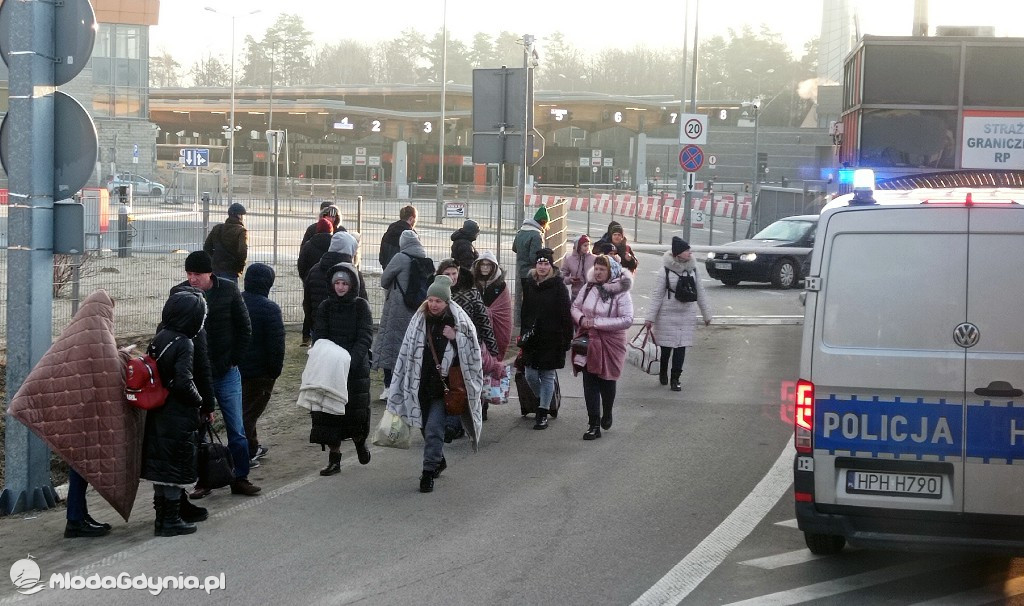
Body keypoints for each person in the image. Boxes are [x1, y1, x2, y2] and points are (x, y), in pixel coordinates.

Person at [173, 251, 260, 497]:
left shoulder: (229, 291)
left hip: (226, 372)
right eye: (189, 274)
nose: (192, 279)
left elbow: (245, 328)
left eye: (197, 274)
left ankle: (240, 477)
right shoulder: (180, 293)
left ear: (209, 273)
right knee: (198, 431)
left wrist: (234, 360)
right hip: (196, 375)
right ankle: (204, 480)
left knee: (236, 429)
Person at [386, 275, 484, 493]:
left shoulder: (459, 323)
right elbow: (407, 351)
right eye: (430, 300)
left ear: (446, 302)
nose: (433, 304)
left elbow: (472, 355)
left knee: (433, 429)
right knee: (422, 425)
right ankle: (438, 459)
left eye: (438, 301)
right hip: (419, 385)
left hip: (444, 388)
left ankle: (428, 472)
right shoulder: (419, 321)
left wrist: (455, 338)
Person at [141, 288, 209, 536]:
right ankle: (170, 520)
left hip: (158, 411)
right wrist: (199, 400)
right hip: (177, 415)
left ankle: (162, 518)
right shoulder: (185, 343)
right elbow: (184, 381)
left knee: (162, 467)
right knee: (173, 468)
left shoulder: (160, 337)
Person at [310, 262, 374, 474]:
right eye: (336, 283)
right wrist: (328, 357)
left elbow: (365, 336)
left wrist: (350, 360)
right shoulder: (325, 307)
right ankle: (334, 458)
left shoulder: (361, 306)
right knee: (328, 415)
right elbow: (320, 334)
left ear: (352, 284)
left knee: (355, 413)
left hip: (354, 368)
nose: (340, 287)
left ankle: (359, 442)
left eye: (344, 283)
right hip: (331, 367)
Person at [571, 255, 634, 440]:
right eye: (596, 269)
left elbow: (627, 319)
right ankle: (593, 424)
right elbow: (575, 306)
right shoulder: (589, 286)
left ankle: (607, 412)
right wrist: (582, 319)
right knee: (589, 380)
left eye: (602, 270)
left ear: (611, 272)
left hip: (612, 342)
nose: (598, 273)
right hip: (589, 340)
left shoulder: (621, 292)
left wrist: (597, 323)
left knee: (607, 381)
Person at [437, 259, 498, 436]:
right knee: (447, 383)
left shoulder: (470, 292)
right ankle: (452, 421)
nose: (451, 277)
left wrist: (492, 350)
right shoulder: (437, 292)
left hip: (468, 346)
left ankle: (454, 424)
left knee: (460, 383)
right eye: (447, 274)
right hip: (441, 347)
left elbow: (483, 320)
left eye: (454, 273)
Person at [644, 237, 713, 391]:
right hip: (667, 315)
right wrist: (650, 318)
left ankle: (675, 378)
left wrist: (706, 314)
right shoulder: (665, 271)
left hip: (686, 314)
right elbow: (657, 295)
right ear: (678, 254)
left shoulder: (693, 269)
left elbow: (700, 292)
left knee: (681, 348)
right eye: (686, 250)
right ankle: (663, 372)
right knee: (666, 348)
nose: (690, 253)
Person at [373, 229, 431, 398]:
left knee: (391, 346)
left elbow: (384, 280)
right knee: (411, 346)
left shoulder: (400, 258)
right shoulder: (425, 260)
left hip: (397, 308)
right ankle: (409, 385)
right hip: (418, 309)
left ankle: (390, 387)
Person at [520, 248, 573, 430]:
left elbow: (566, 313)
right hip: (532, 338)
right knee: (530, 374)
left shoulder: (558, 285)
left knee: (547, 374)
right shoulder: (529, 284)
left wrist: (567, 337)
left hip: (552, 337)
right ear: (535, 265)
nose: (542, 267)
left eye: (546, 264)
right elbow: (524, 310)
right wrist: (524, 332)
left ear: (551, 266)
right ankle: (546, 398)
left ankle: (542, 411)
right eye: (540, 263)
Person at [239, 263, 286, 467]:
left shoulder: (236, 301)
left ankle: (253, 445)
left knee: (245, 409)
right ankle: (245, 453)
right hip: (260, 373)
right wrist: (274, 371)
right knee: (248, 414)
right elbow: (276, 344)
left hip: (236, 368)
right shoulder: (270, 309)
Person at [305, 231, 368, 340]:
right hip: (348, 332)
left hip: (320, 330)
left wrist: (313, 325)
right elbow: (363, 303)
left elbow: (307, 303)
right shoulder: (352, 273)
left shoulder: (314, 270)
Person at [472, 251, 513, 415]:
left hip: (494, 333)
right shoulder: (473, 283)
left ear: (493, 267)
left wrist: (488, 313)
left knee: (488, 364)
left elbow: (503, 311)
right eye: (482, 264)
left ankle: (485, 402)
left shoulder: (500, 286)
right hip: (476, 330)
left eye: (488, 264)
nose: (484, 267)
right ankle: (477, 403)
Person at [298, 216, 335, 346]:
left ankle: (309, 338)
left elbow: (301, 265)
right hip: (331, 284)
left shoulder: (308, 245)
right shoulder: (334, 245)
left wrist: (307, 279)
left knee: (310, 309)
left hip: (312, 282)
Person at [512, 206, 549, 324]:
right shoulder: (536, 235)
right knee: (532, 303)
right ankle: (530, 327)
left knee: (526, 301)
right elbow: (535, 258)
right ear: (543, 222)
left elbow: (514, 248)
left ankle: (523, 327)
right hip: (532, 274)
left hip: (521, 272)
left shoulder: (521, 231)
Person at [203, 202, 248, 282]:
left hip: (215, 268)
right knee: (229, 293)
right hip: (231, 269)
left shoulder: (217, 228)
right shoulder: (241, 231)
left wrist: (214, 260)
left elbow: (207, 247)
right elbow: (242, 252)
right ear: (239, 216)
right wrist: (239, 267)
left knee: (215, 292)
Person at [379, 204, 417, 271]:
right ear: (411, 219)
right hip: (404, 273)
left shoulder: (389, 232)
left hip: (387, 271)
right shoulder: (411, 236)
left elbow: (382, 257)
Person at [561, 234, 596, 302]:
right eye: (585, 245)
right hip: (576, 295)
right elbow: (562, 276)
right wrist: (569, 280)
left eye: (588, 245)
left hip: (591, 294)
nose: (587, 247)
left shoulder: (594, 259)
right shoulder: (569, 260)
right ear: (578, 246)